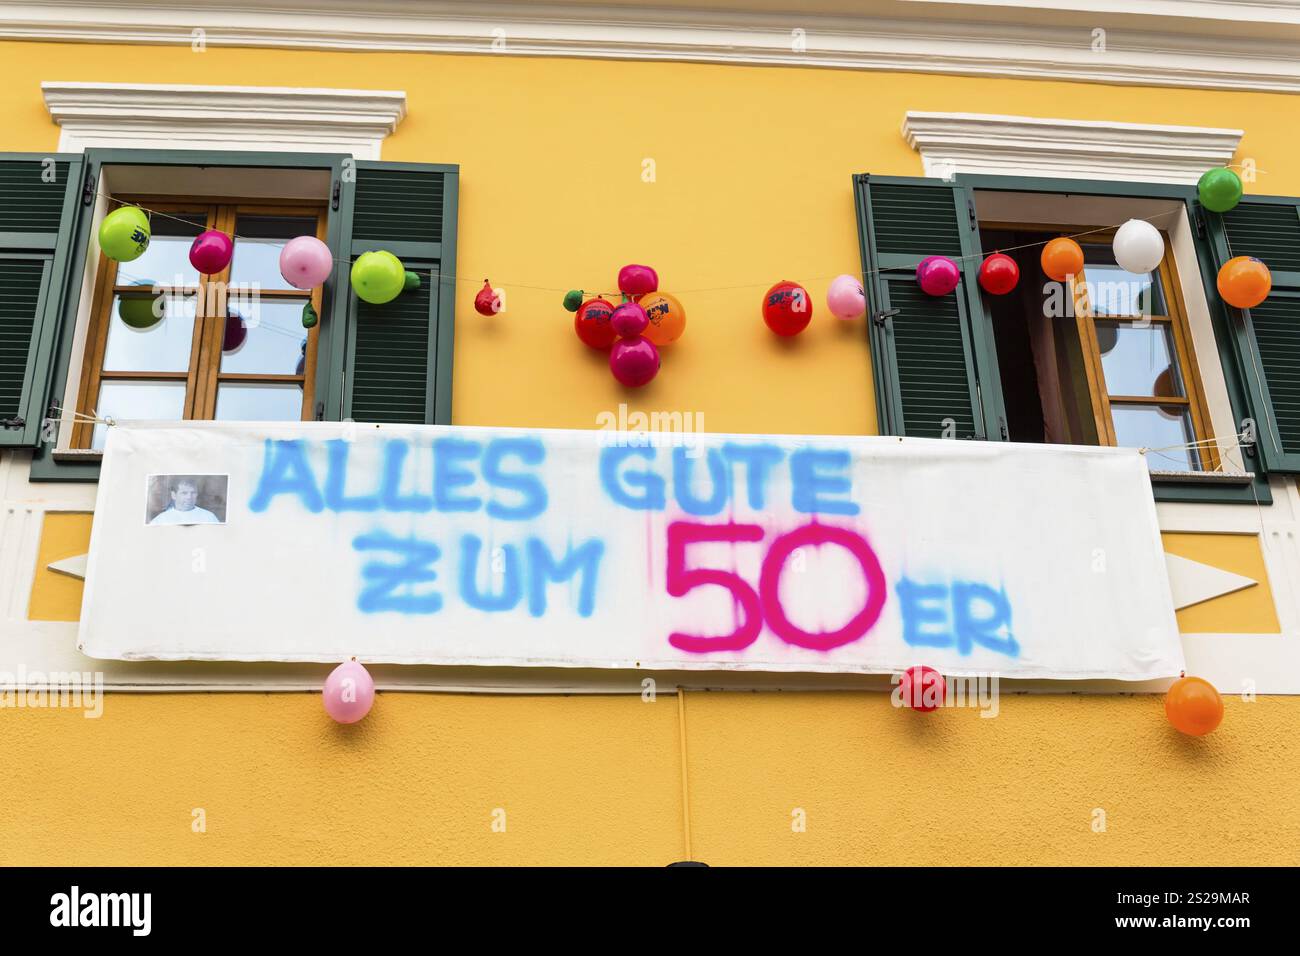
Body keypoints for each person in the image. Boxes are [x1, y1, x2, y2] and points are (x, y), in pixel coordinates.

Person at [149, 477, 221, 525]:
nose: (189, 497)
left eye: (193, 493)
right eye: (184, 493)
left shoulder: (209, 517)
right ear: (174, 495)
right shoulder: (160, 520)